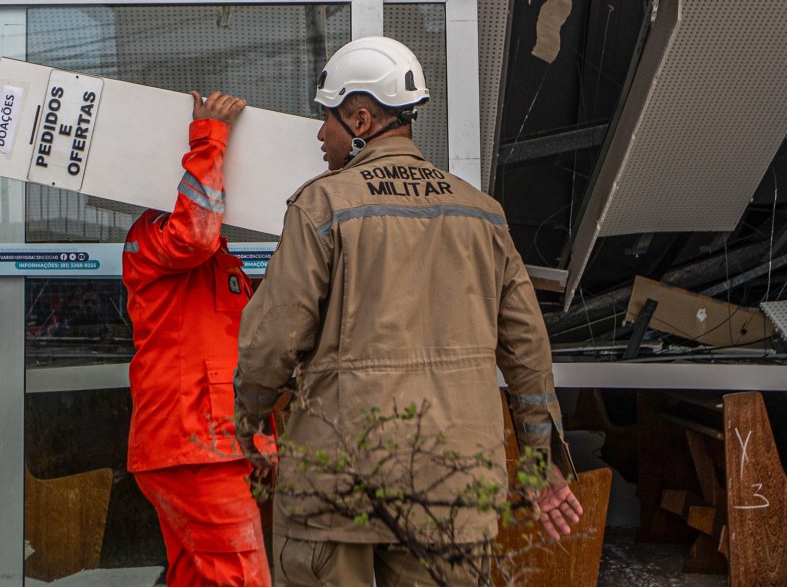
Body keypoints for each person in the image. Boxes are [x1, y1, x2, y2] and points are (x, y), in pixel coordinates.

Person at [233, 36, 582, 586]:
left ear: (362, 120)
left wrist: (248, 419)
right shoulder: (483, 215)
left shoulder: (322, 205)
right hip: (454, 487)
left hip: (339, 481)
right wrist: (541, 464)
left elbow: (274, 336)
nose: (321, 134)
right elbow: (528, 351)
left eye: (326, 119)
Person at [122, 90, 272, 586]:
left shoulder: (221, 262)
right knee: (240, 579)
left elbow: (237, 359)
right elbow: (193, 233)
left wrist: (261, 440)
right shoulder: (152, 238)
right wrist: (209, 136)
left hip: (205, 446)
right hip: (194, 447)